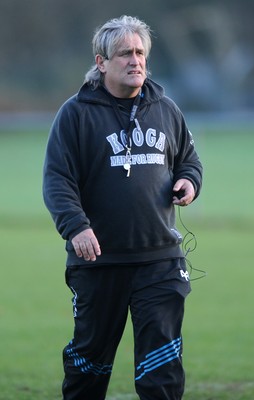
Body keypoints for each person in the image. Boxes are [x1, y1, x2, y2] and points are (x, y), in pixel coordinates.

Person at [43, 15, 203, 400]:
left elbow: (189, 160)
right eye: (125, 54)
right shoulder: (76, 114)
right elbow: (57, 180)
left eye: (140, 52)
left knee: (161, 368)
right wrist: (76, 226)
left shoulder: (165, 108)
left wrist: (189, 182)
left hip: (160, 259)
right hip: (99, 262)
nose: (136, 61)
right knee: (88, 366)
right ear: (101, 62)